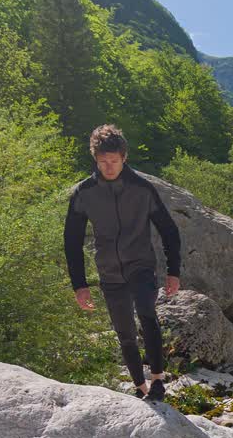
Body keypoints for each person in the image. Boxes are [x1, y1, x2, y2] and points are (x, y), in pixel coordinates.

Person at [63, 124, 182, 401]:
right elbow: (71, 241)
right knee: (124, 330)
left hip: (141, 265)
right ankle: (139, 387)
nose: (109, 167)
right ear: (95, 158)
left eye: (114, 161)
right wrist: (79, 285)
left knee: (146, 311)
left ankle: (157, 380)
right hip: (109, 271)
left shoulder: (142, 189)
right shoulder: (84, 193)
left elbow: (169, 230)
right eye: (103, 161)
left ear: (124, 157)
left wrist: (173, 271)